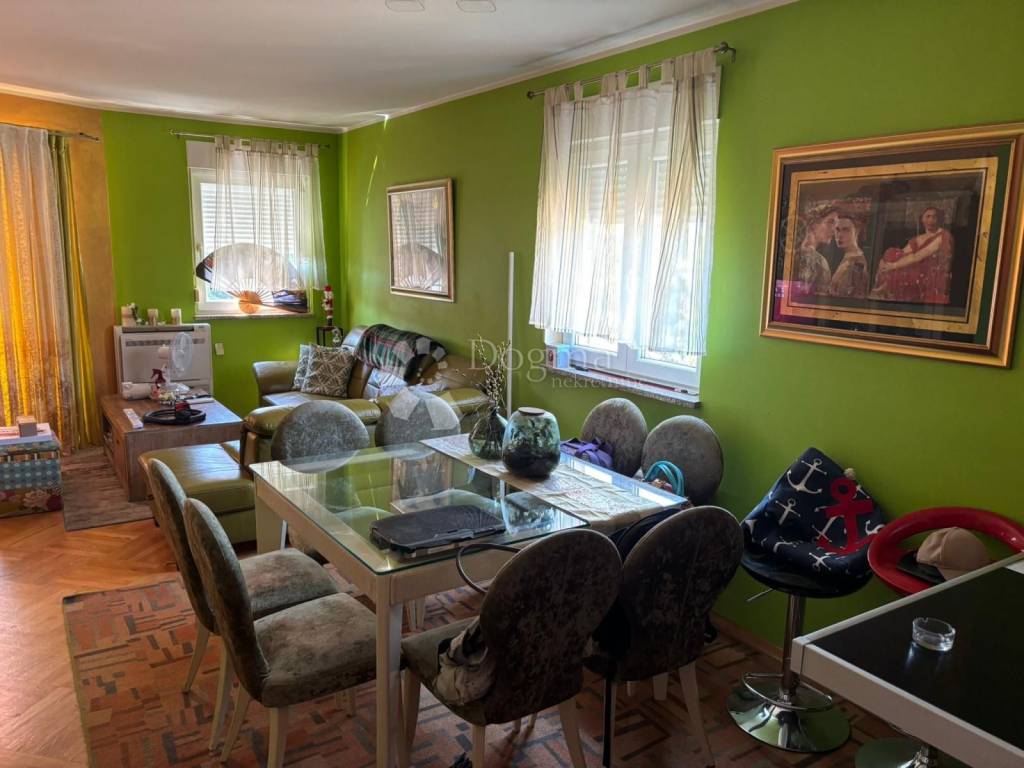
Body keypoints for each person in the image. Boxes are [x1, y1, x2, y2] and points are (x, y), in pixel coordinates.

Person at [870, 206, 954, 304]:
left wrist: (892, 265)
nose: (931, 220)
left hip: (930, 273)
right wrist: (884, 261)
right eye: (928, 216)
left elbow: (918, 256)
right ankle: (884, 286)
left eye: (934, 217)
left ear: (938, 219)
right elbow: (902, 253)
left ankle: (885, 286)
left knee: (900, 270)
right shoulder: (919, 238)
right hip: (916, 267)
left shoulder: (944, 236)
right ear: (922, 219)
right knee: (891, 252)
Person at [795, 207, 838, 295]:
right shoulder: (820, 262)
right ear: (814, 223)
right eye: (830, 222)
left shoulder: (795, 252)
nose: (834, 230)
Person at [829, 215, 869, 298]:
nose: (840, 235)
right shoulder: (845, 256)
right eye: (837, 230)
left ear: (857, 231)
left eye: (846, 230)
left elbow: (858, 296)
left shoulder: (858, 262)